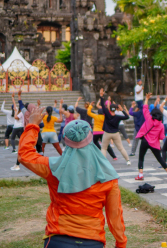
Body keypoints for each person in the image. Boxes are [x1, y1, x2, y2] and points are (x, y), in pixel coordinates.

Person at [18, 109, 127, 248]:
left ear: (66, 140)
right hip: (93, 241)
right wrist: (121, 242)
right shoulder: (109, 176)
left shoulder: (53, 168)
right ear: (91, 139)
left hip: (58, 239)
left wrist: (32, 125)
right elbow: (114, 215)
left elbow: (24, 155)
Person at [135, 94, 167, 180]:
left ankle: (140, 175)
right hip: (154, 143)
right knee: (160, 158)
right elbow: (161, 137)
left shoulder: (149, 118)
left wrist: (146, 99)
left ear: (152, 114)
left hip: (145, 141)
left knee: (141, 157)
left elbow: (145, 108)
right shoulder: (161, 126)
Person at [99, 88, 131, 165]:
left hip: (107, 133)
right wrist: (122, 109)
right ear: (116, 109)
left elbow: (103, 106)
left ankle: (104, 162)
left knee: (104, 148)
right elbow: (127, 117)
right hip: (115, 133)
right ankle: (127, 160)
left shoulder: (107, 113)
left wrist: (101, 96)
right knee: (121, 148)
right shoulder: (118, 116)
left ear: (110, 109)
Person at [10, 94, 24, 170]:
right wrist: (13, 97)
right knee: (21, 139)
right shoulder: (22, 112)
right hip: (21, 127)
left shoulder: (17, 112)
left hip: (16, 127)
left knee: (12, 138)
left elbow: (16, 117)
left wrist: (13, 97)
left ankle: (14, 149)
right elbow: (15, 104)